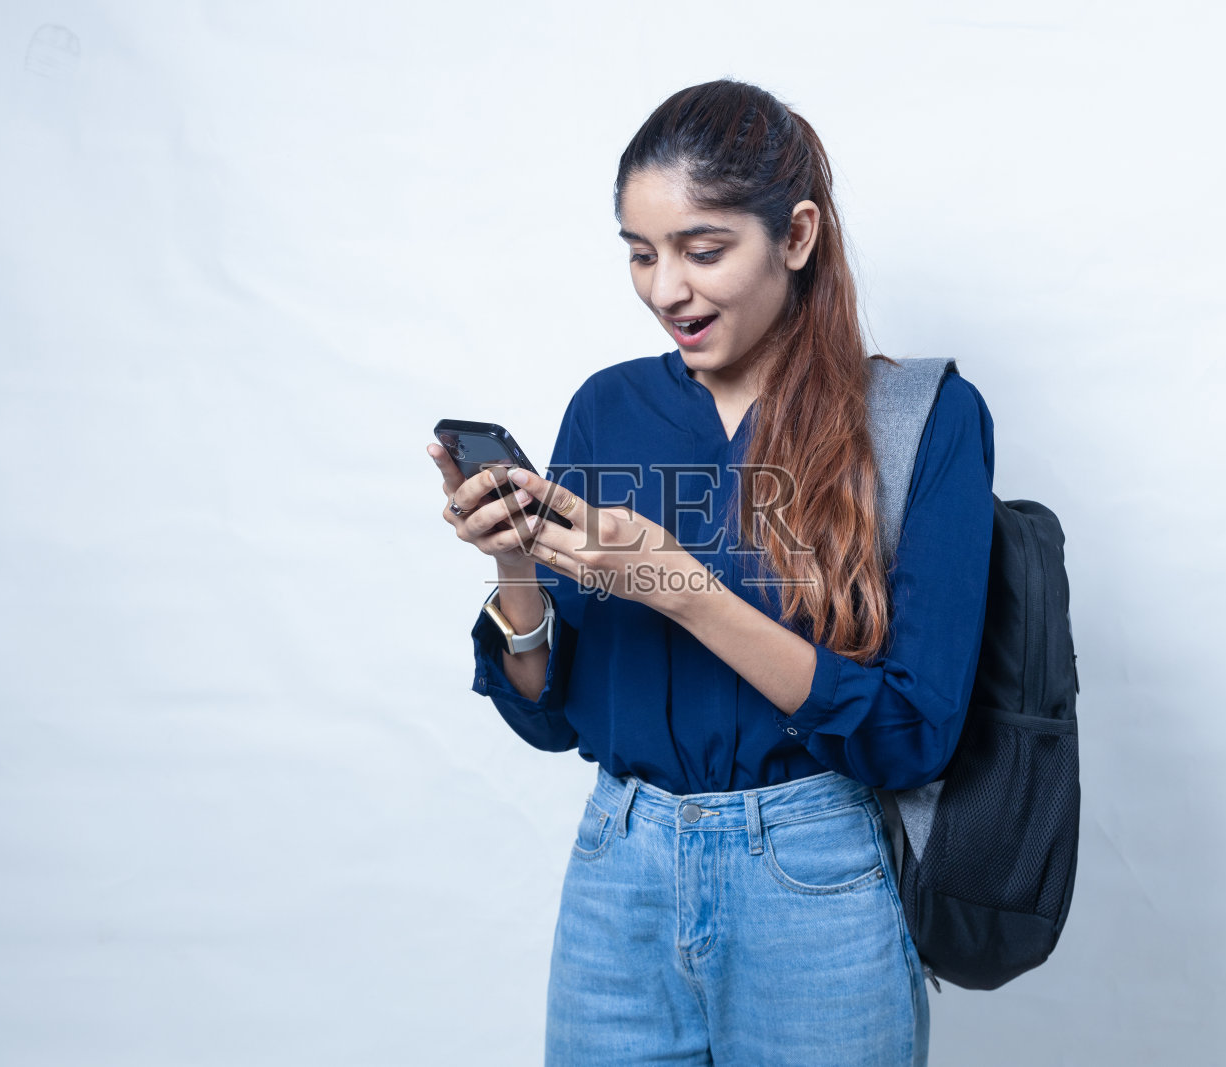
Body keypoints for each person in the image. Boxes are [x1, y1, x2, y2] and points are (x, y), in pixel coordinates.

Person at [426, 78, 995, 1067]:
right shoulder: (607, 409)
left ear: (798, 234)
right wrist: (513, 559)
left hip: (815, 877)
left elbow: (913, 734)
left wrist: (682, 591)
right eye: (640, 254)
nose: (665, 290)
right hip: (619, 873)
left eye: (702, 249)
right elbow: (551, 714)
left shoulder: (920, 420)